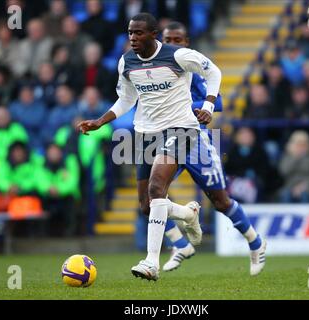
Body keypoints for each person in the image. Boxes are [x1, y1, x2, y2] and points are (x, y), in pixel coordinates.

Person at [77, 13, 266, 281]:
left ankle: (153, 261)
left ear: (154, 35)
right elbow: (126, 99)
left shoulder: (180, 58)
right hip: (146, 134)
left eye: (138, 33)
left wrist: (208, 106)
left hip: (185, 131)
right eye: (130, 32)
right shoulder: (126, 62)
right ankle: (187, 215)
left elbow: (215, 73)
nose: (132, 37)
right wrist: (100, 121)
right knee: (147, 203)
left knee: (209, 198)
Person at [157, 21, 222, 272]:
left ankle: (253, 241)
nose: (171, 45)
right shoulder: (154, 68)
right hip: (164, 136)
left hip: (193, 138)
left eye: (177, 40)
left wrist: (187, 104)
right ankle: (180, 243)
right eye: (167, 40)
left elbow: (220, 101)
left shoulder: (191, 69)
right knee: (150, 196)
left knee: (219, 198)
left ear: (187, 43)